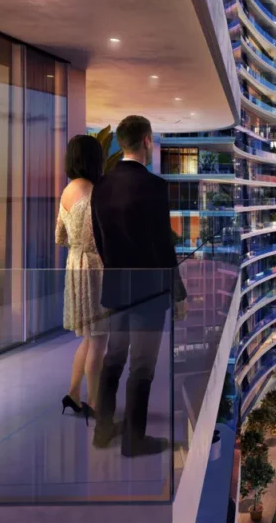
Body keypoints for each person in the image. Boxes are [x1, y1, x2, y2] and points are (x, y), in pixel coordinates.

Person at [91, 115, 186, 457]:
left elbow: (100, 240)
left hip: (116, 287)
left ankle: (102, 431)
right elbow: (163, 246)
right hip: (148, 292)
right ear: (146, 141)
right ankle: (134, 439)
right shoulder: (155, 188)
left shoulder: (101, 186)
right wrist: (177, 293)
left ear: (121, 142)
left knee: (113, 360)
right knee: (141, 366)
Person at [57, 134, 110, 423]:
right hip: (94, 268)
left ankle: (74, 394)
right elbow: (101, 236)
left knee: (89, 339)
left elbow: (60, 236)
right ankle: (98, 406)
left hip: (74, 266)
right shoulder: (92, 193)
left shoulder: (67, 191)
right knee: (99, 341)